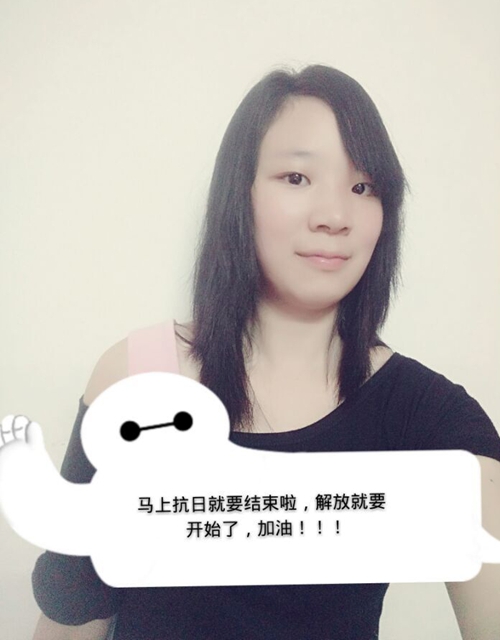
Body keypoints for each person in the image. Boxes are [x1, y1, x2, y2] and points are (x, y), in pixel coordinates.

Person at [31, 65, 500, 640]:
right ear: (240, 193)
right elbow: (71, 619)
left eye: (363, 187)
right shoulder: (138, 375)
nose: (335, 216)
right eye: (296, 177)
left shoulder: (429, 417)